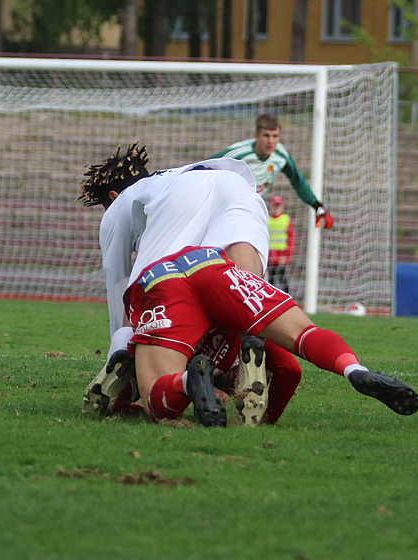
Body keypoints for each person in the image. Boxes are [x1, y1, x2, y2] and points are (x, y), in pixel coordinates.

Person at [78, 143, 303, 426]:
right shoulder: (169, 176)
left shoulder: (122, 204)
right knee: (243, 286)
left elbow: (119, 280)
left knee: (146, 287)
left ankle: (143, 369)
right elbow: (290, 370)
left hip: (180, 203)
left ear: (112, 195)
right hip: (237, 185)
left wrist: (121, 345)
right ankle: (251, 338)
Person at [124, 245, 418, 427]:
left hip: (160, 278)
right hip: (211, 266)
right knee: (305, 333)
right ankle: (354, 369)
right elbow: (290, 371)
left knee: (154, 401)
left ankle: (189, 381)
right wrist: (268, 419)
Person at [211, 113, 334, 229]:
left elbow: (298, 181)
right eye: (266, 136)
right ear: (256, 135)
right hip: (224, 207)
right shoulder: (239, 154)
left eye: (275, 136)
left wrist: (317, 206)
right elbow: (204, 167)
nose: (270, 141)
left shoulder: (280, 155)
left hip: (250, 207)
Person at [266, 194, 294, 294]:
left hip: (281, 256)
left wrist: (286, 256)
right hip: (270, 256)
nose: (276, 208)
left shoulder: (285, 219)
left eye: (278, 205)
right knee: (270, 282)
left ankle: (288, 299)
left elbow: (290, 238)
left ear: (282, 206)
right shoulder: (267, 220)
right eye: (274, 205)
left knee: (283, 280)